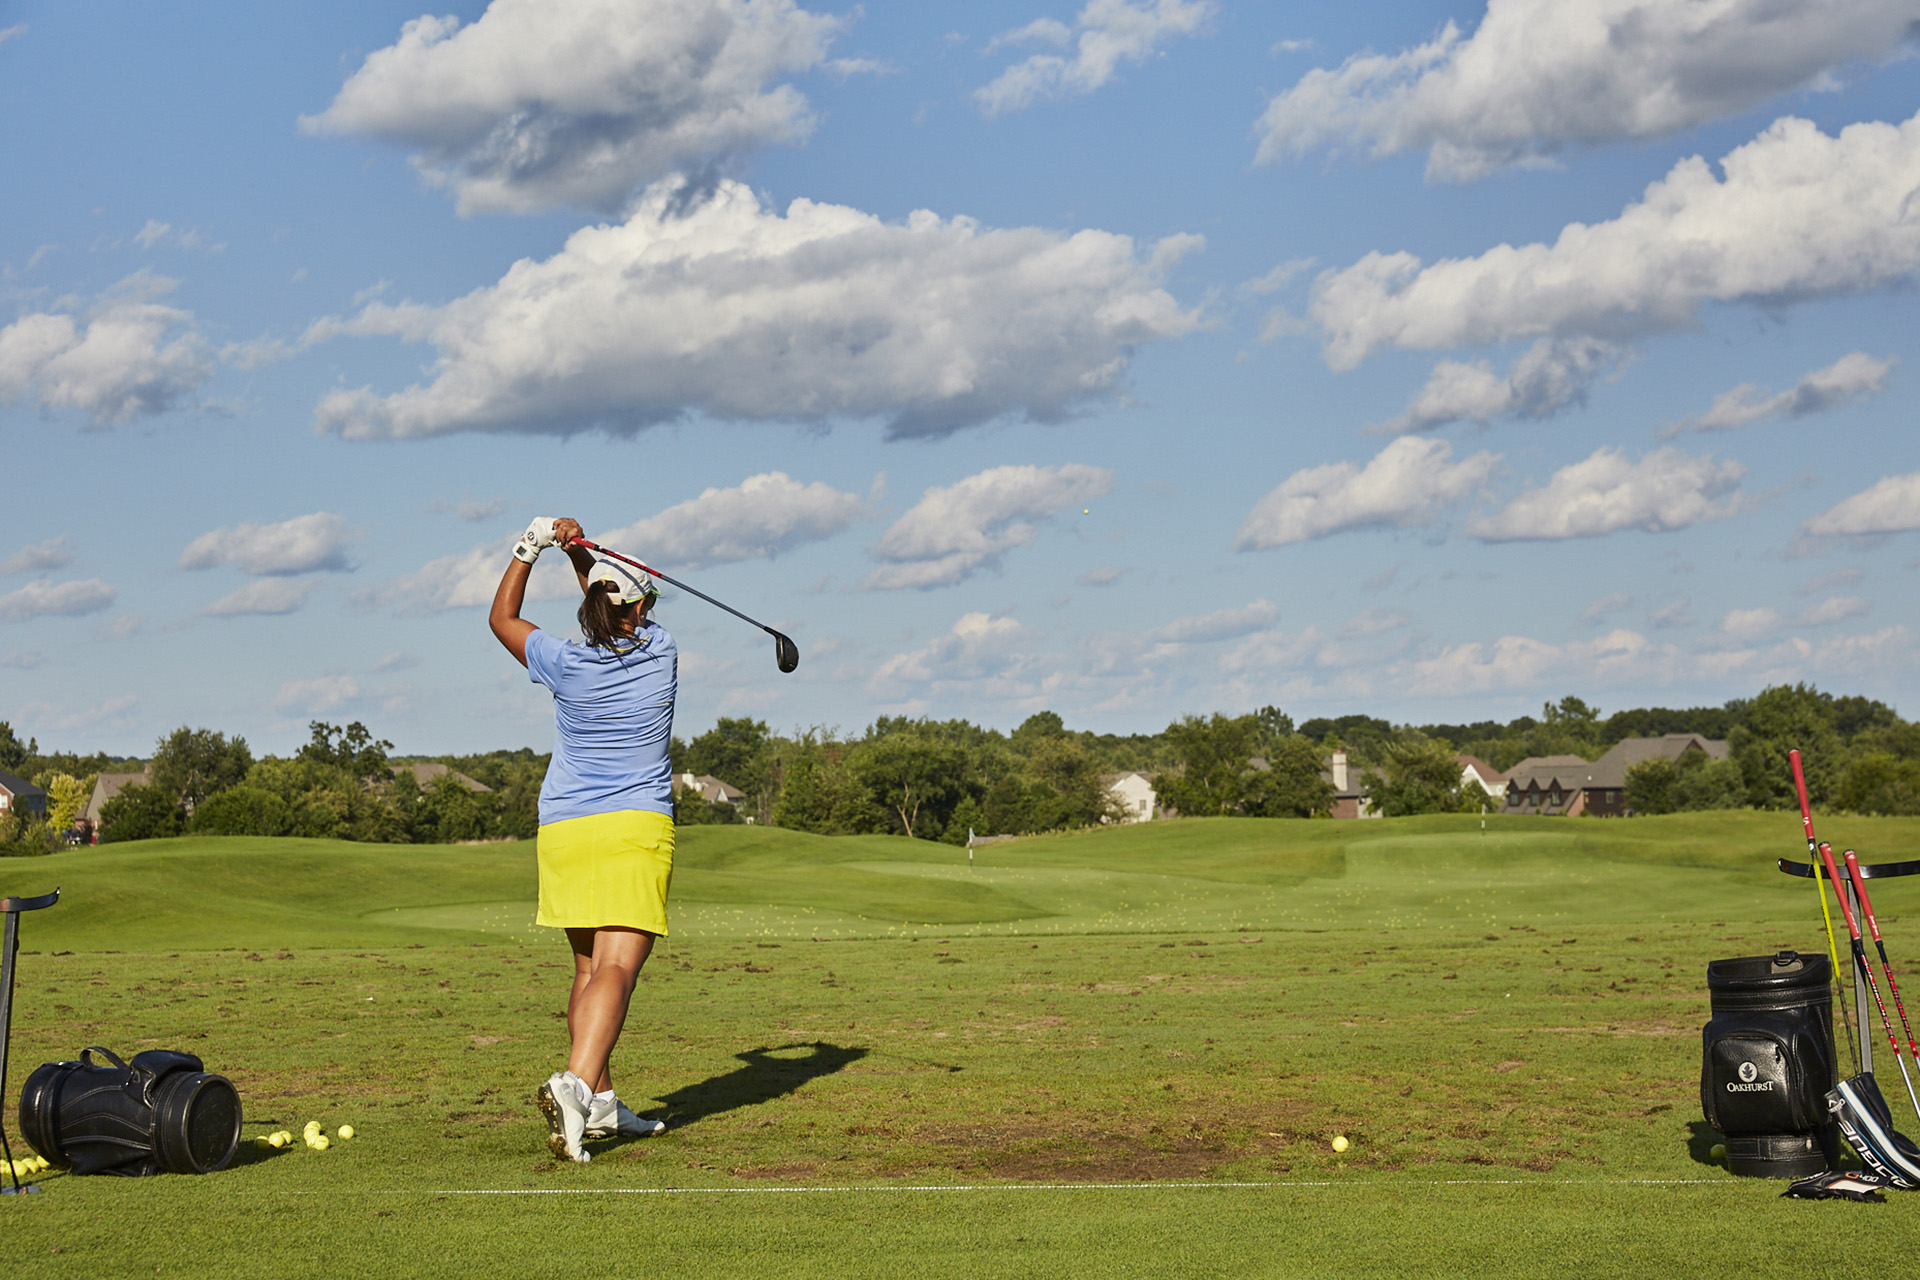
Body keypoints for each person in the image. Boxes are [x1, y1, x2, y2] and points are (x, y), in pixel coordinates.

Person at [489, 515, 677, 1164]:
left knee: (589, 970)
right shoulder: (659, 650)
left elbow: (503, 619)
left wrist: (534, 546)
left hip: (566, 828)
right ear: (638, 608)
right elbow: (612, 603)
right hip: (632, 827)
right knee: (617, 968)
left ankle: (599, 1101)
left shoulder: (563, 662)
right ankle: (573, 1086)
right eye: (647, 599)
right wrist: (580, 556)